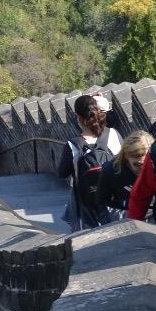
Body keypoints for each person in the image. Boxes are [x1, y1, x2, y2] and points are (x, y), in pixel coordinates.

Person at [58, 93, 122, 229]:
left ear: (78, 118)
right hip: (114, 205)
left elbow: (62, 173)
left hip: (86, 209)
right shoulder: (114, 135)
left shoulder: (73, 145)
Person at [94, 131, 153, 223]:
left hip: (153, 217)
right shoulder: (111, 170)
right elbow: (101, 202)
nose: (142, 164)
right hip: (124, 218)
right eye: (136, 158)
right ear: (126, 156)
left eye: (146, 162)